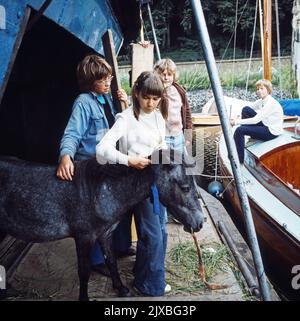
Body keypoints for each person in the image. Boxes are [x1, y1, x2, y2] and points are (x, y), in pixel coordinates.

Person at [56, 54, 134, 277]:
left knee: (116, 208)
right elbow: (72, 134)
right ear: (90, 82)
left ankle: (119, 247)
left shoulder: (104, 98)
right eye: (103, 79)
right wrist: (65, 156)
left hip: (108, 163)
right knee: (95, 216)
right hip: (91, 167)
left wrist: (125, 104)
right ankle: (96, 260)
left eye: (109, 77)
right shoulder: (83, 102)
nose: (108, 82)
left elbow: (116, 126)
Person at [96, 71, 171, 296]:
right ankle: (151, 285)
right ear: (136, 93)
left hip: (157, 177)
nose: (151, 103)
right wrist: (128, 159)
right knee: (153, 235)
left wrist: (165, 156)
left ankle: (143, 273)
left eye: (155, 99)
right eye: (146, 97)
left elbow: (161, 144)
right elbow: (101, 149)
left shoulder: (158, 116)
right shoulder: (126, 118)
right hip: (136, 181)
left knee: (161, 231)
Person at [230, 79, 283, 164]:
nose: (259, 91)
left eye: (262, 88)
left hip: (271, 131)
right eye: (258, 89)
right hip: (265, 124)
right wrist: (236, 116)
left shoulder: (270, 103)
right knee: (246, 109)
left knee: (239, 130)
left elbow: (255, 120)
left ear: (268, 90)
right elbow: (249, 107)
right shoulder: (262, 100)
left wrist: (236, 122)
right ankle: (253, 137)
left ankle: (239, 159)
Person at [154, 58, 193, 152]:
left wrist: (188, 135)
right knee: (163, 165)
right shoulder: (154, 92)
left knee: (180, 165)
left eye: (169, 75)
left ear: (174, 76)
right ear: (157, 75)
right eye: (163, 74)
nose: (166, 78)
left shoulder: (179, 91)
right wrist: (161, 90)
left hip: (178, 137)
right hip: (162, 139)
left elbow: (187, 113)